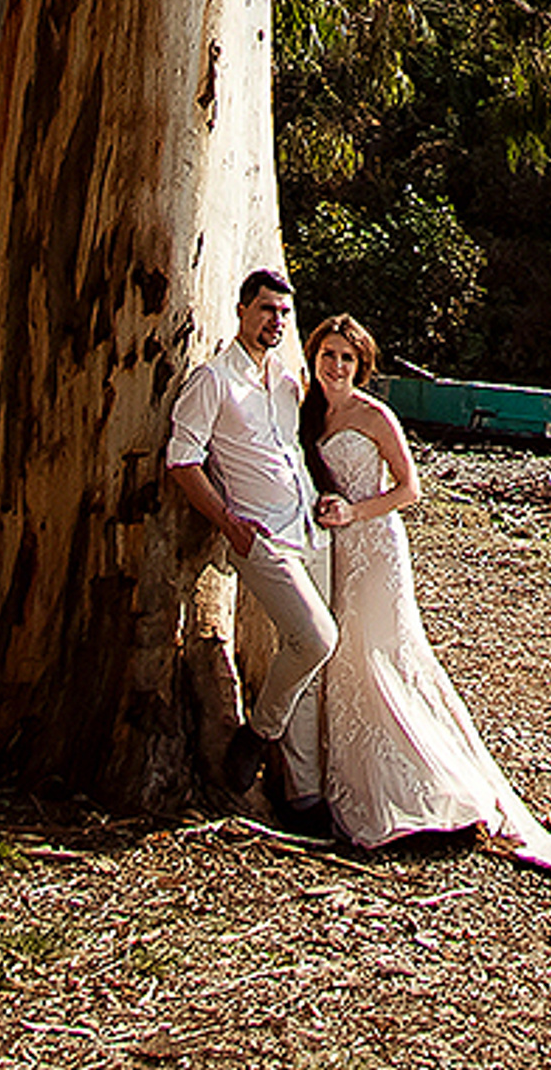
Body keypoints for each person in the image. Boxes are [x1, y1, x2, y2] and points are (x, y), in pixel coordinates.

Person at [300, 310, 551, 870]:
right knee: (343, 658)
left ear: (361, 365)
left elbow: (409, 489)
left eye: (347, 358)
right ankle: (355, 787)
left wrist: (354, 511)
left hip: (375, 547)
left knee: (379, 655)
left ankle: (425, 787)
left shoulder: (374, 415)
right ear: (315, 356)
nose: (337, 366)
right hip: (334, 551)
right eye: (329, 355)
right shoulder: (307, 412)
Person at [165, 267, 338, 824]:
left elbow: (296, 449)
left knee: (311, 660)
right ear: (242, 310)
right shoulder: (213, 380)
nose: (275, 322)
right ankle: (256, 736)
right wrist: (226, 520)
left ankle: (305, 792)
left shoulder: (286, 383)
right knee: (316, 639)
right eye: (266, 310)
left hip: (309, 527)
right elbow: (181, 460)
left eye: (283, 314)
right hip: (258, 535)